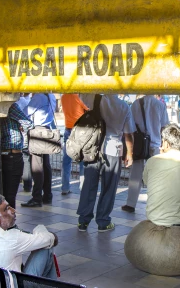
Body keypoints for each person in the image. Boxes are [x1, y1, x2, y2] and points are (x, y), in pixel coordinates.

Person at [77, 94, 135, 232]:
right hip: (114, 150)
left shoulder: (95, 99)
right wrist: (130, 154)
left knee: (89, 185)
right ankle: (103, 222)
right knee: (109, 187)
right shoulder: (124, 106)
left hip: (94, 148)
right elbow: (128, 134)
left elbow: (81, 94)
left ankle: (83, 222)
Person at [0, 195, 58, 279]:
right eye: (7, 209)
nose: (13, 210)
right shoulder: (12, 238)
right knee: (46, 247)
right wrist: (40, 228)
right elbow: (51, 239)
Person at [123, 94, 170, 213]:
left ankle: (131, 204)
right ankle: (155, 204)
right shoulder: (160, 105)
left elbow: (130, 125)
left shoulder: (135, 104)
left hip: (139, 144)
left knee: (135, 174)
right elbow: (165, 127)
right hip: (155, 144)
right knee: (155, 176)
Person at [22, 93, 58, 207]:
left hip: (38, 131)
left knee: (36, 166)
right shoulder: (51, 96)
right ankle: (47, 195)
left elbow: (25, 112)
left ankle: (36, 197)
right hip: (47, 130)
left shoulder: (38, 97)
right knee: (46, 165)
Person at [0, 96, 33, 208]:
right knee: (10, 195)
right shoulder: (12, 106)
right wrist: (20, 126)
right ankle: (9, 222)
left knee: (4, 193)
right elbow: (28, 123)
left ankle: (4, 221)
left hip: (2, 153)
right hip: (13, 154)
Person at [61, 94, 88, 196]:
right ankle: (83, 188)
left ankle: (65, 188)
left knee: (66, 161)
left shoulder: (63, 97)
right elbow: (87, 109)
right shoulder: (77, 97)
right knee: (82, 161)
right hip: (80, 130)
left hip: (68, 130)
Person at [15, 94, 33, 192]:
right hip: (26, 134)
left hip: (21, 135)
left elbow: (26, 121)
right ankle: (27, 185)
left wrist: (21, 126)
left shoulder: (18, 102)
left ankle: (25, 184)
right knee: (27, 160)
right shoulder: (28, 101)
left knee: (24, 159)